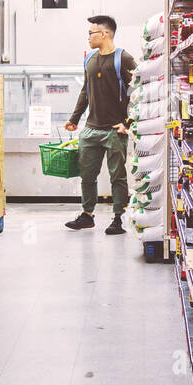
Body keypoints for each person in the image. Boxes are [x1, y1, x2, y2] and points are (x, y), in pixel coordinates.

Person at [64, 15, 137, 234]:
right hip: (91, 128)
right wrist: (74, 119)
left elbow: (138, 90)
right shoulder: (90, 59)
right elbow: (85, 91)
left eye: (91, 33)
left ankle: (118, 218)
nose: (88, 37)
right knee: (86, 175)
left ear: (104, 34)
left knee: (118, 176)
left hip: (115, 130)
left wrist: (128, 123)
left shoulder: (123, 58)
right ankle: (87, 215)